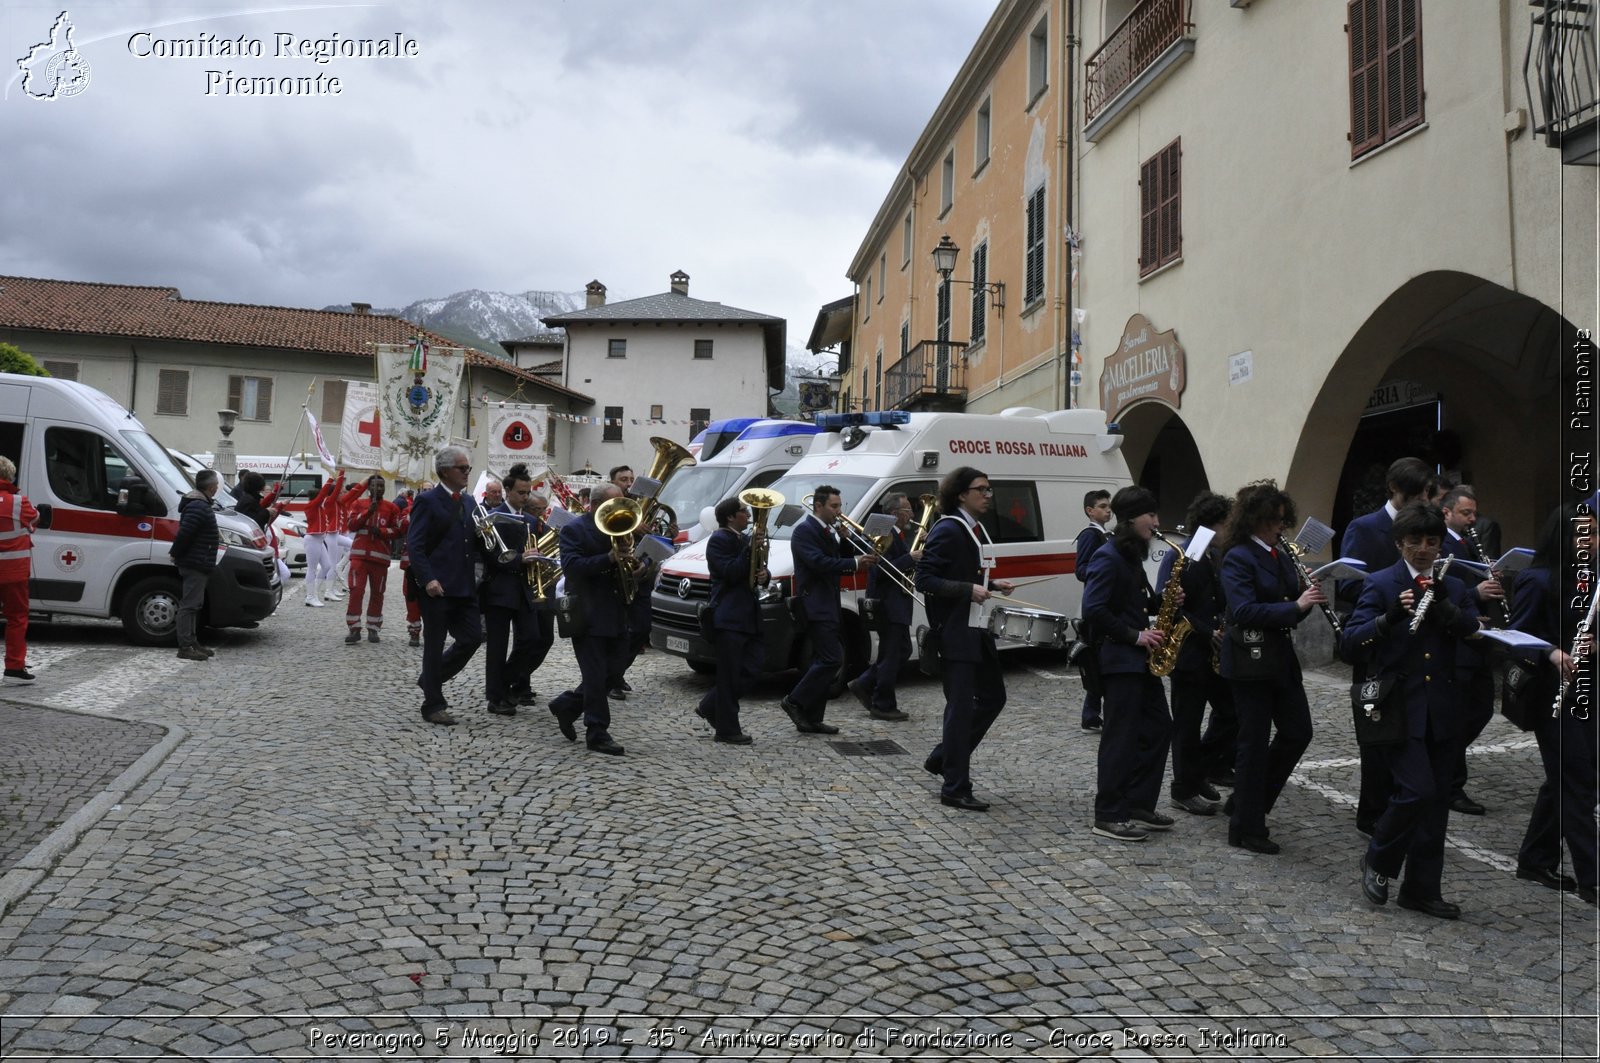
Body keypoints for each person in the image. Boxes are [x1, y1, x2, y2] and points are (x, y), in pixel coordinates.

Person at [1344, 502, 1481, 919]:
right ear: (1400, 542)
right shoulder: (1383, 583)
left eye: (1432, 542)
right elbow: (1351, 642)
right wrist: (1389, 619)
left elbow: (1475, 632)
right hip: (1396, 706)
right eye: (1415, 541)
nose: (1424, 549)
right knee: (1416, 790)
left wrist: (1447, 610)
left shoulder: (1452, 585)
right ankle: (1380, 859)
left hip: (1442, 706)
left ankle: (1421, 889)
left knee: (1436, 802)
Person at [1218, 480, 1324, 855]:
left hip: (1279, 657)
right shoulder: (1239, 556)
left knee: (1298, 732)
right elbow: (1243, 610)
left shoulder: (1278, 553)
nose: (1282, 526)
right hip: (1251, 660)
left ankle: (1249, 802)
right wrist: (1295, 606)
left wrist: (1306, 597)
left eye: (1284, 519)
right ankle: (1246, 827)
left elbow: (1286, 604)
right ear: (1255, 520)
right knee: (1253, 743)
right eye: (1275, 520)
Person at [1508, 503, 1597, 904]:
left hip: (1588, 688)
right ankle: (1592, 876)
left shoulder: (1591, 580)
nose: (1589, 543)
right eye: (1582, 535)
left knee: (1574, 777)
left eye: (1594, 534)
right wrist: (1553, 653)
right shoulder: (1537, 579)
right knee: (1576, 782)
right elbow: (1517, 637)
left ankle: (1534, 857)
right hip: (1551, 695)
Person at [1338, 456, 1430, 836]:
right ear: (1396, 492)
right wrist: (1392, 593)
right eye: (1417, 495)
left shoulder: (1428, 529)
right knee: (1379, 733)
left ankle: (1402, 803)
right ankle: (1372, 813)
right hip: (1378, 639)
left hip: (1419, 643)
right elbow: (1346, 586)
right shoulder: (1365, 527)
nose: (1424, 500)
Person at [915, 467, 1015, 812]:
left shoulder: (973, 528)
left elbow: (965, 570)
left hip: (976, 628)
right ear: (961, 494)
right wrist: (966, 589)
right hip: (955, 632)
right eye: (981, 489)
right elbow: (924, 579)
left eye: (989, 489)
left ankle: (944, 758)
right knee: (959, 711)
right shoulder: (948, 529)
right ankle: (955, 787)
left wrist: (990, 585)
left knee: (993, 697)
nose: (988, 495)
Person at [1082, 486, 1174, 840]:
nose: (1156, 522)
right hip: (1119, 660)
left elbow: (1134, 605)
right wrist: (1136, 636)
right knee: (1120, 737)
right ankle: (1107, 814)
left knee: (1159, 727)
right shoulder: (1108, 556)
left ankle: (1137, 802)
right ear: (1133, 518)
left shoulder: (1130, 554)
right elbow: (1094, 609)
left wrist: (1164, 599)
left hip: (1137, 660)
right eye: (1151, 515)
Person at [1158, 490, 1236, 816]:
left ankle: (1199, 769)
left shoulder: (1212, 552)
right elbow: (1171, 606)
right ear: (1213, 524)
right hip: (1189, 651)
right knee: (1187, 724)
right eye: (1228, 524)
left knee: (1231, 713)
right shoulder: (1186, 553)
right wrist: (1209, 631)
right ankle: (1183, 788)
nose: (1232, 530)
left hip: (1211, 648)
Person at [781, 485, 876, 735]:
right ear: (818, 506)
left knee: (822, 659)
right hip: (815, 603)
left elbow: (837, 557)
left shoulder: (826, 531)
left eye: (839, 506)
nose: (838, 511)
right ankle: (794, 700)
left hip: (829, 602)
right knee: (832, 659)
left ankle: (813, 717)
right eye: (834, 507)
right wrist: (855, 563)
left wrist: (845, 540)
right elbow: (819, 563)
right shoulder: (804, 531)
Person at [547, 482, 634, 754]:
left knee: (613, 671)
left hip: (616, 610)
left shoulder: (622, 528)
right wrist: (608, 558)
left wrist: (637, 566)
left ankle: (568, 705)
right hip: (587, 612)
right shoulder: (575, 529)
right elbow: (572, 568)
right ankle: (597, 732)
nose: (617, 510)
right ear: (595, 505)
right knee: (595, 676)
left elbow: (630, 565)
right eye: (612, 505)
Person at [406, 448, 485, 726]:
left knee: (473, 638)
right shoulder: (428, 500)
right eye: (461, 468)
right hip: (436, 587)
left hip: (464, 585)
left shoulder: (470, 502)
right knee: (434, 645)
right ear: (444, 472)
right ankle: (433, 704)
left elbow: (475, 543)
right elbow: (414, 545)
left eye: (468, 468)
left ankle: (429, 680)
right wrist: (428, 579)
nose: (467, 472)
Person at [1438, 484, 1503, 816]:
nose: (1472, 519)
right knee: (1461, 714)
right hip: (1457, 642)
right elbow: (1442, 590)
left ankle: (1443, 765)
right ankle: (1451, 784)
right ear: (1447, 512)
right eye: (1466, 513)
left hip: (1478, 638)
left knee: (1481, 710)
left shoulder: (1470, 542)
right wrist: (1476, 592)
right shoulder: (1439, 543)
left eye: (1474, 513)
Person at [694, 495, 768, 744]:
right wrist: (749, 551)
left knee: (753, 667)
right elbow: (730, 572)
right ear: (730, 517)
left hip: (749, 614)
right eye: (744, 512)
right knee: (729, 674)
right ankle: (726, 729)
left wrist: (763, 574)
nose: (749, 516)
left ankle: (709, 705)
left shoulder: (744, 539)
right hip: (728, 615)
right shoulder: (718, 540)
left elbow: (756, 571)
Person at [478, 466, 545, 716]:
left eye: (527, 493)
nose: (525, 498)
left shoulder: (529, 520)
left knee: (531, 638)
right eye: (520, 492)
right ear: (507, 491)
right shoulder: (493, 516)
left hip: (524, 589)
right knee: (497, 646)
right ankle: (495, 697)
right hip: (499, 589)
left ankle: (503, 681)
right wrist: (520, 559)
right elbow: (490, 554)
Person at [846, 492, 917, 722]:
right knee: (892, 653)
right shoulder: (884, 534)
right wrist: (912, 558)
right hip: (889, 604)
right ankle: (882, 703)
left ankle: (864, 682)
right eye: (907, 510)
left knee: (902, 650)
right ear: (895, 514)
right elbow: (882, 570)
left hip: (897, 603)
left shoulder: (898, 534)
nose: (912, 514)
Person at [504, 488, 557, 706]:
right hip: (524, 588)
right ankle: (516, 683)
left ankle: (518, 680)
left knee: (546, 638)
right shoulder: (520, 525)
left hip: (546, 587)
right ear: (527, 509)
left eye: (545, 509)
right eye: (537, 509)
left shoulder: (545, 527)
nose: (542, 514)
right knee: (526, 640)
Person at [606, 463, 653, 701]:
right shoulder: (607, 510)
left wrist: (663, 532)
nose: (628, 483)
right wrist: (634, 529)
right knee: (619, 632)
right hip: (616, 580)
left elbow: (653, 544)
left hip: (639, 578)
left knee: (641, 628)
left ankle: (618, 672)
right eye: (623, 479)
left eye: (631, 479)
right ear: (612, 483)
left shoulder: (643, 508)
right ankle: (611, 678)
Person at [171, 468, 221, 662]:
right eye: (216, 484)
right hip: (195, 561)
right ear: (210, 486)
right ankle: (185, 646)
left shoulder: (200, 504)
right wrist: (175, 553)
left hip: (199, 560)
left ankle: (192, 642)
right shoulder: (198, 506)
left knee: (194, 604)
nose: (217, 487)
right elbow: (186, 533)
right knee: (189, 605)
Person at [344, 475, 400, 645]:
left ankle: (373, 628)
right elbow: (351, 525)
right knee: (356, 590)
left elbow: (398, 531)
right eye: (376, 486)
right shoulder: (359, 504)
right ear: (369, 488)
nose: (379, 489)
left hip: (380, 558)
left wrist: (382, 532)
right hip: (359, 556)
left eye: (382, 486)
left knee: (378, 593)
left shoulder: (392, 507)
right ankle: (354, 628)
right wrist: (368, 512)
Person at [1074, 489, 1113, 732]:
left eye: (1109, 506)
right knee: (1098, 661)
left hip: (1103, 602)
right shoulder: (1090, 535)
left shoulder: (1106, 535)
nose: (1108, 510)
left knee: (1099, 662)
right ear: (1090, 511)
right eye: (1102, 506)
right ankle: (1093, 714)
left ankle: (1091, 715)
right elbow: (1081, 570)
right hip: (1095, 605)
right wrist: (1106, 572)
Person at [0, 456, 39, 684]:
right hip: (13, 572)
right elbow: (35, 519)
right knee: (16, 618)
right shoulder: (18, 502)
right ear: (9, 476)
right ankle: (14, 670)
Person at [301, 470, 344, 607]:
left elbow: (335, 492)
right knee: (312, 568)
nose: (324, 498)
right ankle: (310, 596)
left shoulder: (321, 507)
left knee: (326, 566)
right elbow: (323, 494)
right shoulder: (311, 506)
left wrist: (341, 474)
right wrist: (331, 478)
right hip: (312, 539)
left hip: (319, 540)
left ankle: (315, 593)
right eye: (321, 496)